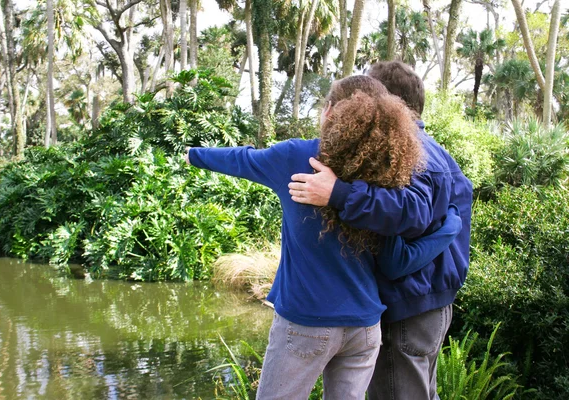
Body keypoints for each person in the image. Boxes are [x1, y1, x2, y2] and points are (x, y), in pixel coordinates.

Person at [185, 75, 461, 399]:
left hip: (306, 323)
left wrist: (193, 154)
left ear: (329, 111)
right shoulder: (387, 174)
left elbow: (241, 159)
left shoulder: (295, 158)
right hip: (365, 328)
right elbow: (398, 254)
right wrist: (450, 229)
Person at [288, 61, 473, 400]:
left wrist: (338, 194)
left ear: (390, 102)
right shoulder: (435, 151)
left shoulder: (414, 153)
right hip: (428, 304)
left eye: (367, 95)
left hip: (408, 308)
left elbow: (410, 211)